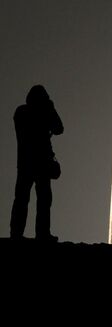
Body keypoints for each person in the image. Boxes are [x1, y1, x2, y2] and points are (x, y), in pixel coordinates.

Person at [10, 85, 64, 242]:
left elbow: (59, 129)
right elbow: (59, 128)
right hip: (40, 163)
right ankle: (42, 234)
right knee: (43, 200)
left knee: (22, 199)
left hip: (26, 163)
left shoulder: (21, 112)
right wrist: (50, 109)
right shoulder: (41, 113)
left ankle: (17, 233)